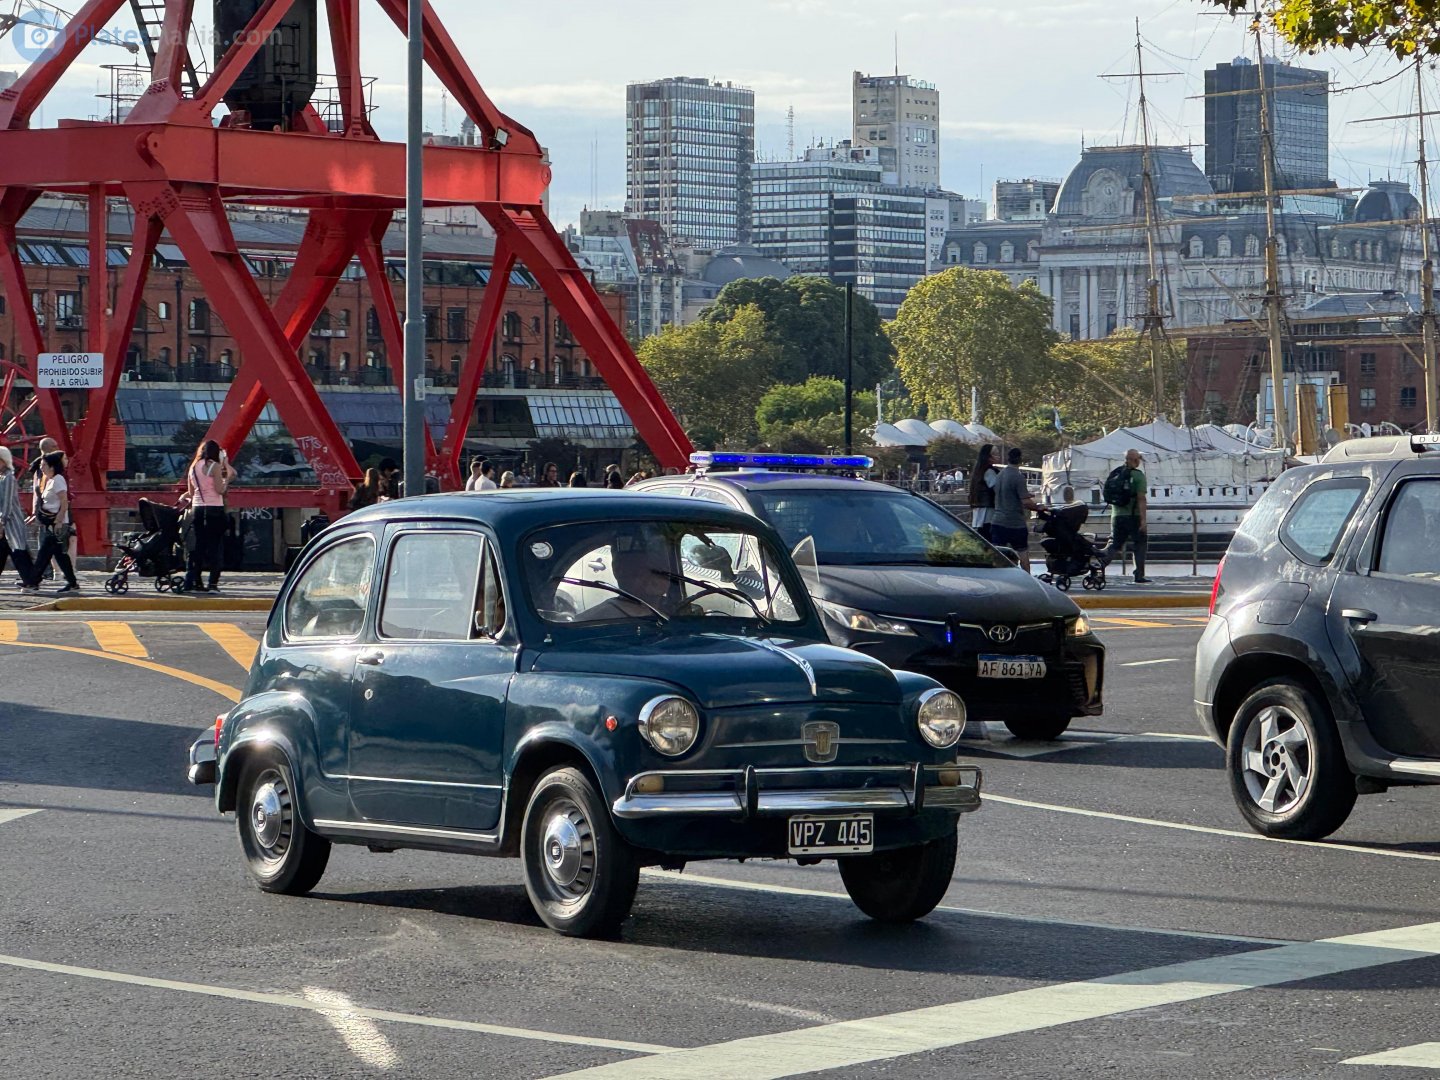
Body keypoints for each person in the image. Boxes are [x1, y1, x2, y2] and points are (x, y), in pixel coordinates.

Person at [181, 439, 233, 593]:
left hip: (197, 509)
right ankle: (212, 584)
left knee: (199, 547)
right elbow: (219, 490)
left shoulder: (193, 468)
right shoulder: (214, 466)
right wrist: (228, 478)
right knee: (216, 547)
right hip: (214, 509)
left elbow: (191, 493)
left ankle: (196, 582)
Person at [30, 451, 79, 593]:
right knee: (59, 555)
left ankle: (32, 581)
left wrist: (58, 521)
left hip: (56, 524)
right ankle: (72, 583)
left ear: (52, 466)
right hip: (51, 523)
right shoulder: (51, 480)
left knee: (45, 554)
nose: (41, 467)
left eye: (44, 464)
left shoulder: (58, 480)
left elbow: (64, 502)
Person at [1103, 448, 1150, 584]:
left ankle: (1099, 567)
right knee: (1140, 543)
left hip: (1117, 516)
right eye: (1139, 458)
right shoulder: (1138, 475)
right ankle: (1139, 575)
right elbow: (1141, 498)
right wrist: (1143, 521)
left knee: (1115, 544)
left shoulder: (1116, 473)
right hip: (1133, 516)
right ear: (1135, 460)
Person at [989, 447, 1040, 572]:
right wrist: (1039, 507)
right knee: (1022, 553)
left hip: (997, 521)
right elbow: (1025, 502)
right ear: (1020, 459)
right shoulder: (1018, 477)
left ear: (1008, 459)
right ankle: (1028, 581)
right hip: (1015, 523)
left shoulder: (1000, 475)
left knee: (998, 555)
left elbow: (1007, 493)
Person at [0, 446, 39, 591]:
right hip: (6, 522)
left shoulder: (9, 477)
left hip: (10, 523)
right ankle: (31, 580)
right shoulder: (3, 477)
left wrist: (2, 521)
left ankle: (31, 580)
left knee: (18, 553)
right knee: (10, 551)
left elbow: (7, 502)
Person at [967, 444, 998, 540]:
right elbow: (997, 489)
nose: (998, 456)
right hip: (988, 511)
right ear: (988, 456)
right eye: (995, 454)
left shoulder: (978, 471)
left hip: (978, 511)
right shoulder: (989, 471)